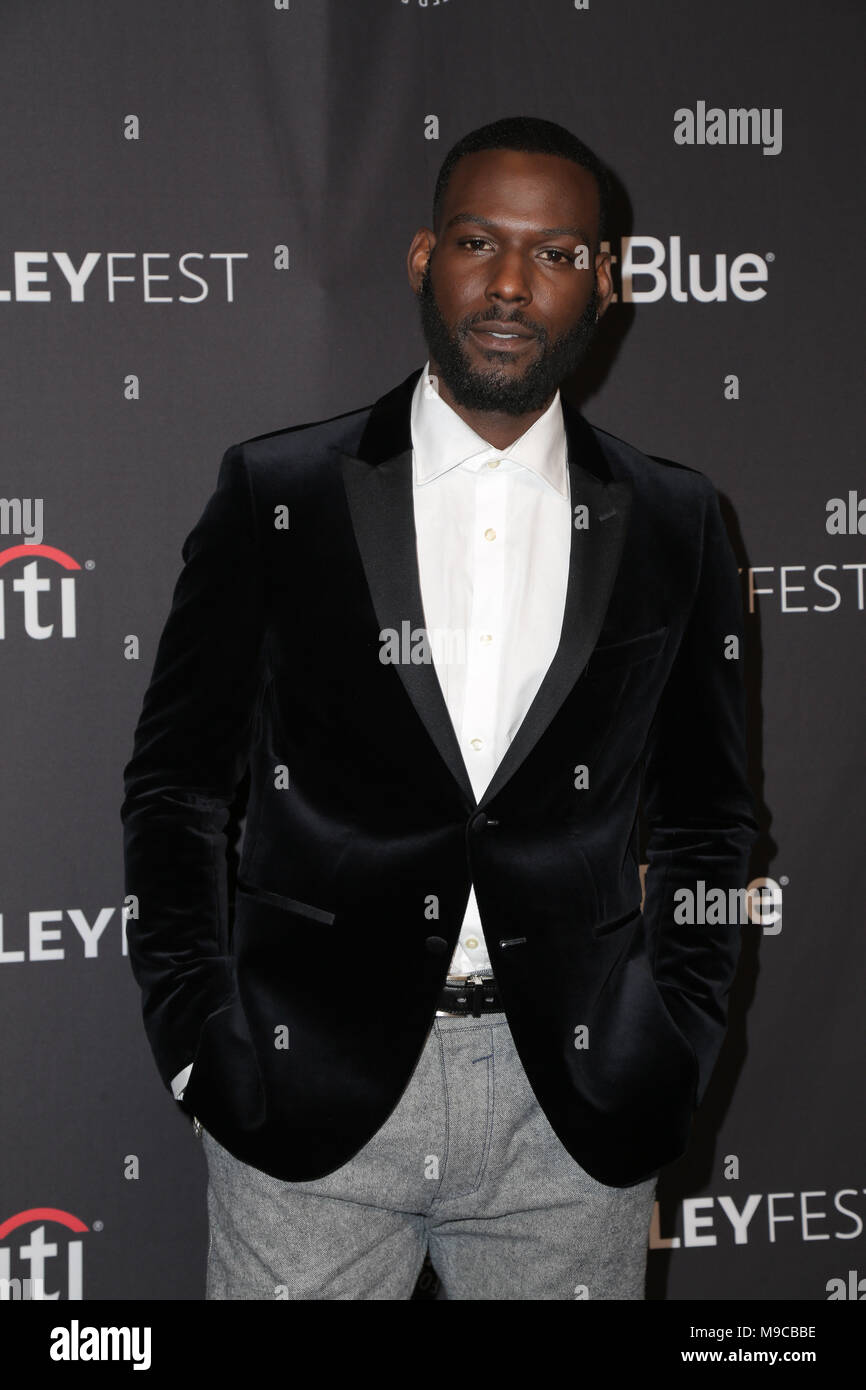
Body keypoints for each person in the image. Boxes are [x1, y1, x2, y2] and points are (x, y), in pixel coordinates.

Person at [121, 115, 758, 1300]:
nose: (512, 284)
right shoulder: (280, 492)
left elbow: (710, 824)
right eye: (478, 241)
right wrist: (201, 1046)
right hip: (304, 1090)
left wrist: (672, 1048)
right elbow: (175, 787)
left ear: (605, 282)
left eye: (556, 253)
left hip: (569, 1117)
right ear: (423, 259)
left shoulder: (674, 522)